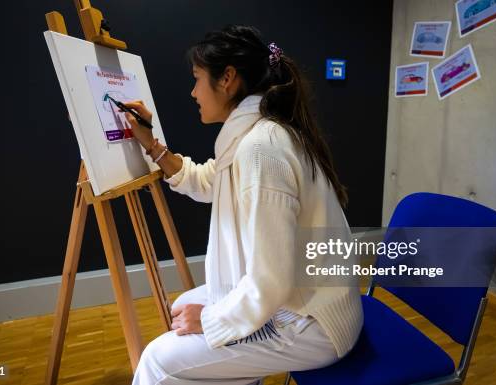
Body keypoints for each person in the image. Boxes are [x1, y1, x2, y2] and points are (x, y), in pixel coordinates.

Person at [124, 24, 363, 385]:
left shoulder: (260, 150)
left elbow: (272, 282)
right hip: (304, 301)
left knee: (158, 360)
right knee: (180, 310)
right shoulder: (258, 134)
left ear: (228, 79)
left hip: (312, 325)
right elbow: (209, 181)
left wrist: (209, 320)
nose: (192, 92)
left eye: (197, 79)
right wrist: (152, 145)